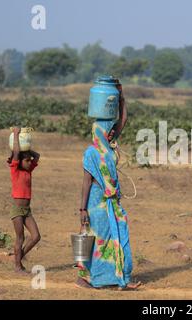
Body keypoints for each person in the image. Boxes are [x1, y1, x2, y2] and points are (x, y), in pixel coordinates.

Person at [76, 87, 140, 290]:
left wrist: (121, 98)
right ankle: (86, 278)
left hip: (113, 202)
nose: (113, 131)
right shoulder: (92, 152)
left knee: (119, 235)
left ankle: (120, 277)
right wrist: (83, 209)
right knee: (99, 241)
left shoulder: (110, 146)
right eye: (109, 129)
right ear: (100, 131)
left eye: (113, 129)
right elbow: (86, 182)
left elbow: (123, 121)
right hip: (96, 203)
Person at [7, 127, 41, 274]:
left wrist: (27, 150)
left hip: (27, 211)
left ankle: (18, 258)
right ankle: (17, 266)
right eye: (27, 160)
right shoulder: (15, 169)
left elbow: (37, 155)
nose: (30, 162)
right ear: (19, 161)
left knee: (36, 237)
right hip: (17, 210)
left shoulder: (28, 170)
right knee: (20, 238)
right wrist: (16, 135)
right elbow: (15, 153)